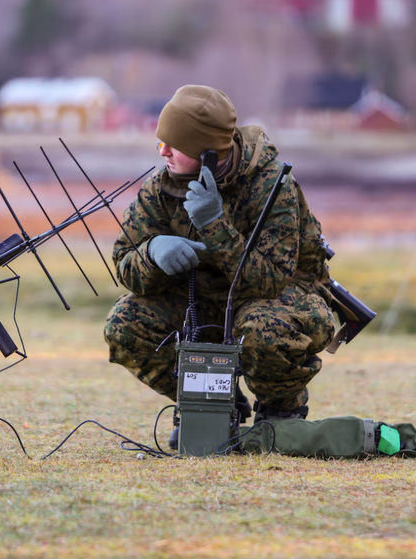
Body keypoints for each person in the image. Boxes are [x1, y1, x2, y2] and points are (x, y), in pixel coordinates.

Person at [103, 84, 336, 424]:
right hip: (201, 304)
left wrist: (215, 225)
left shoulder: (272, 186)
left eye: (175, 145)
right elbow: (124, 263)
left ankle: (281, 408)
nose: (163, 152)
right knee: (125, 323)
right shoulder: (161, 187)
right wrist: (152, 252)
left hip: (281, 302)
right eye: (161, 141)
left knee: (262, 327)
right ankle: (209, 401)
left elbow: (269, 281)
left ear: (210, 154)